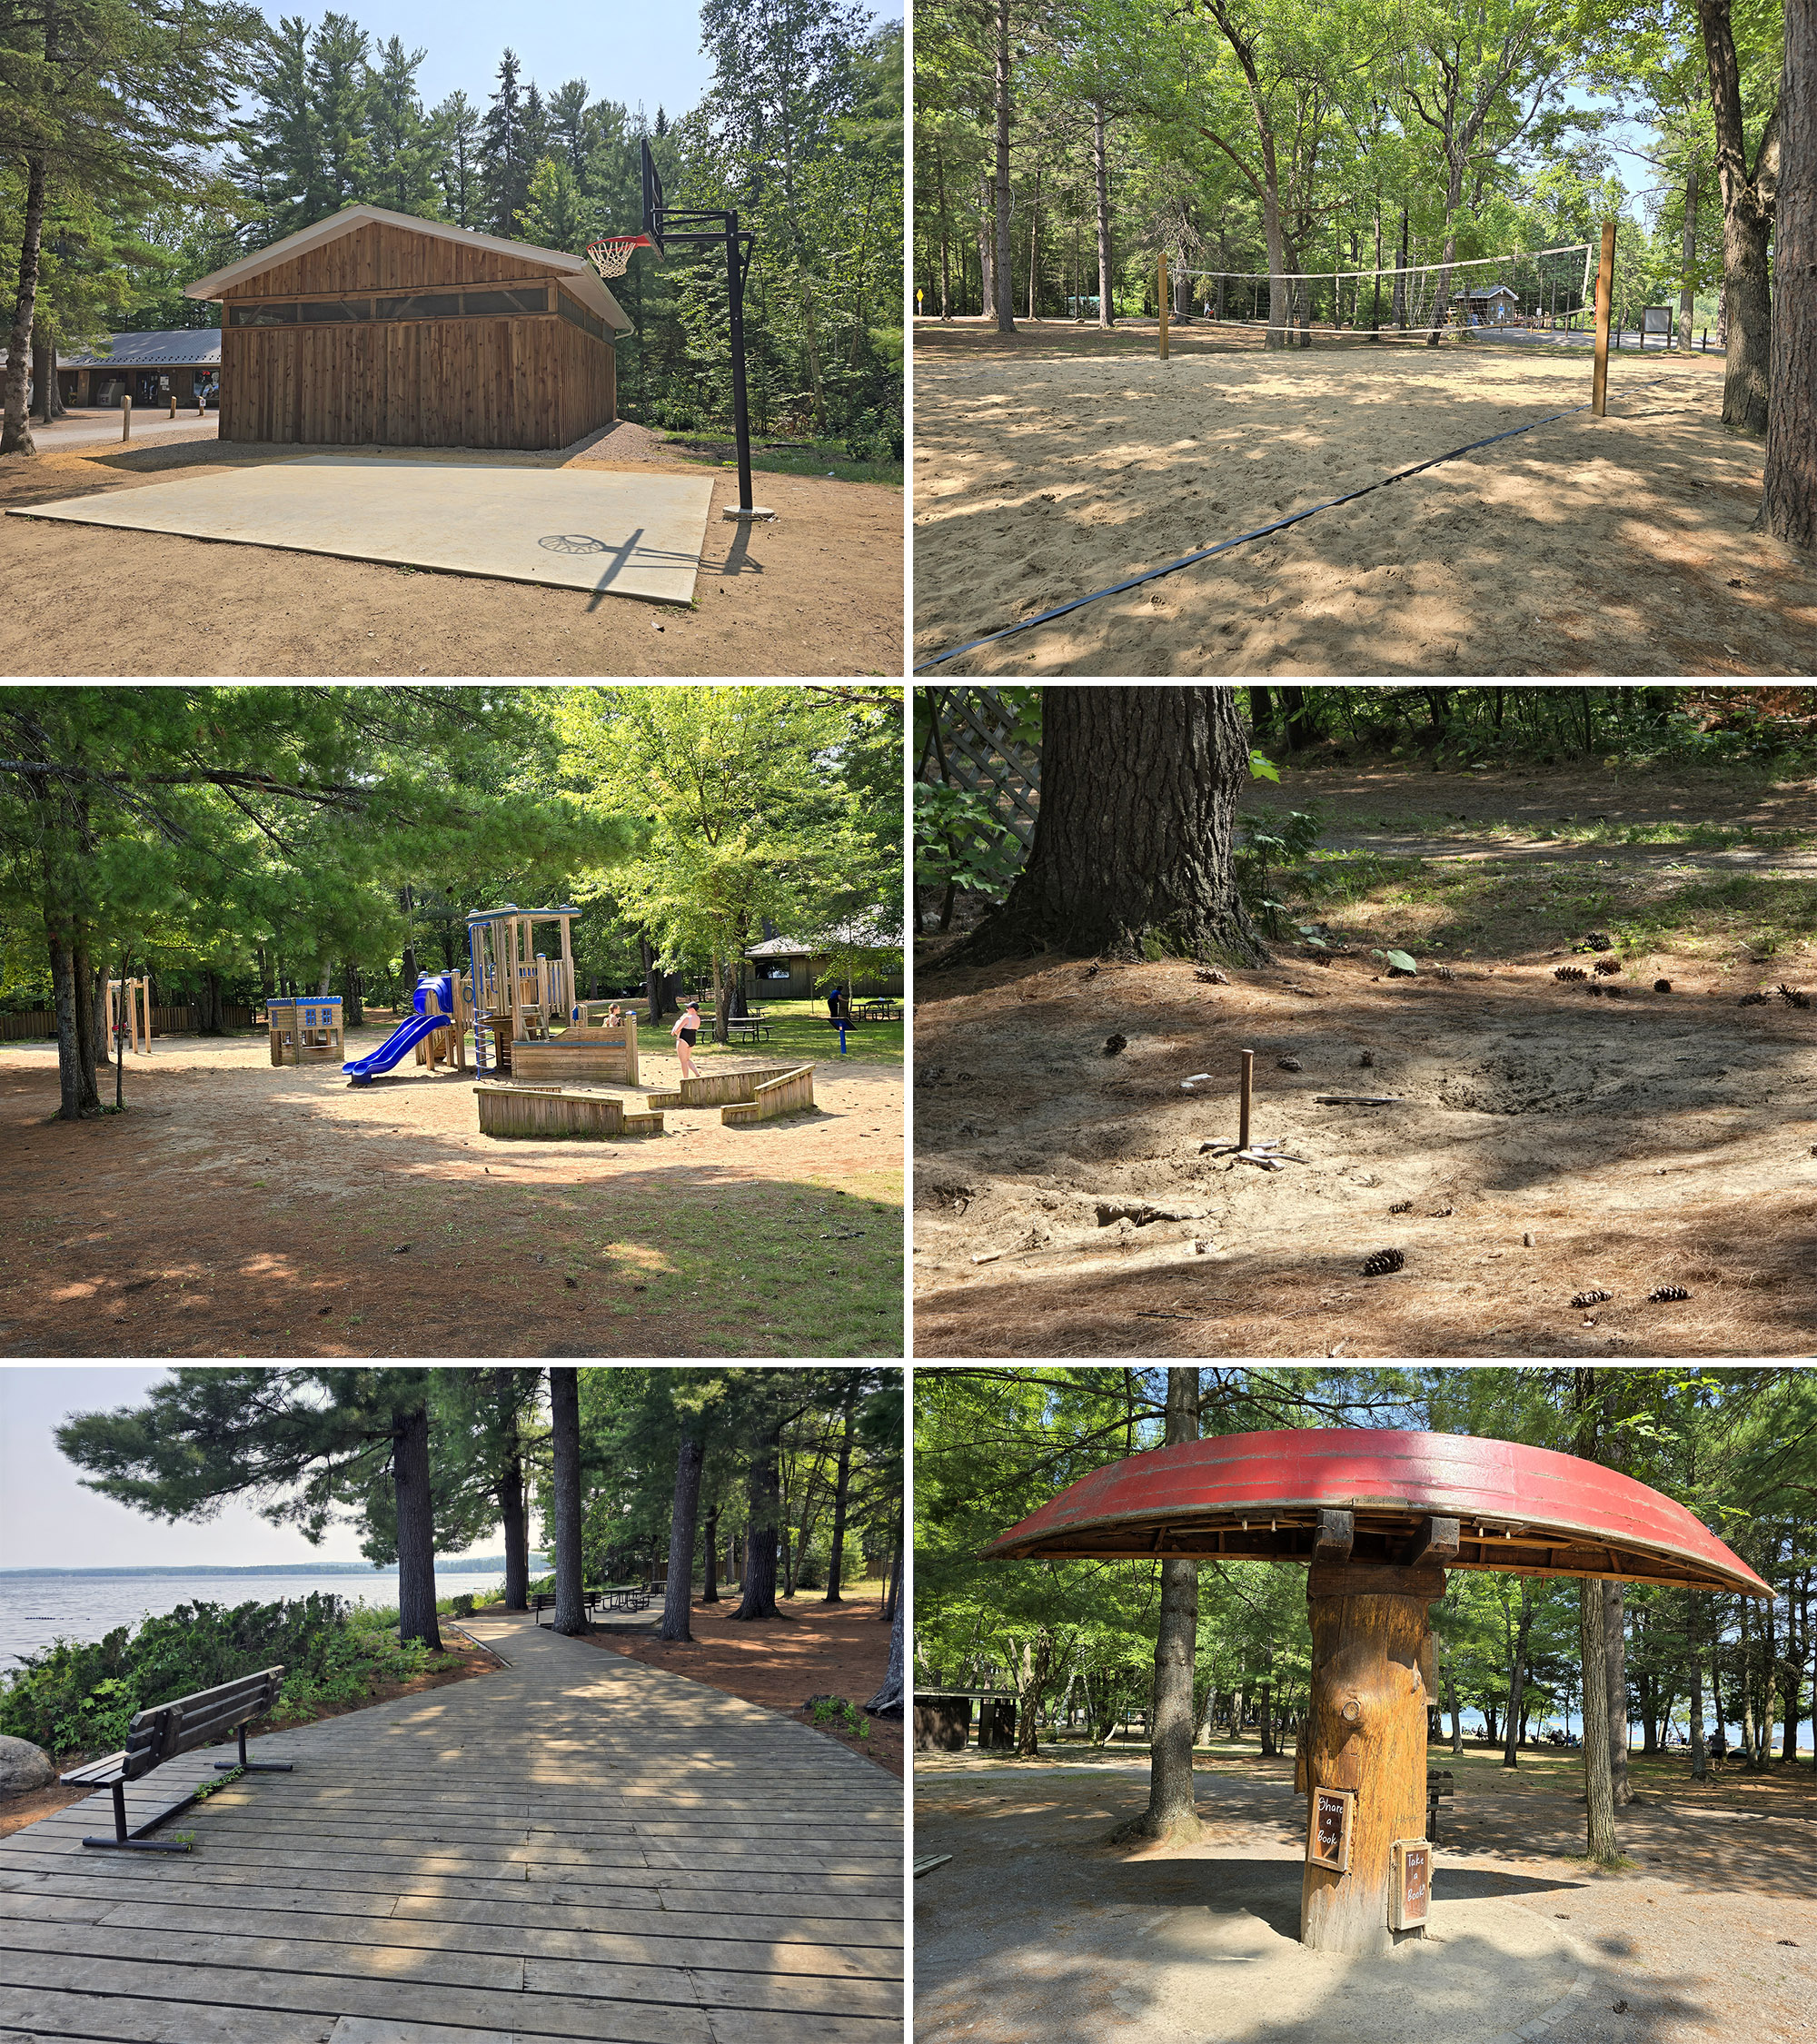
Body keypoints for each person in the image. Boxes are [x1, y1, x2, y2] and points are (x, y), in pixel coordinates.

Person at [671, 998, 700, 1078]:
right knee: (687, 1059)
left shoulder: (687, 1018)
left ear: (692, 1009)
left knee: (683, 1061)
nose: (686, 1009)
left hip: (683, 1039)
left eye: (688, 1008)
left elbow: (677, 1029)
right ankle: (697, 1074)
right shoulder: (698, 1018)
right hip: (692, 1039)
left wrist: (674, 1031)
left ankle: (685, 1078)